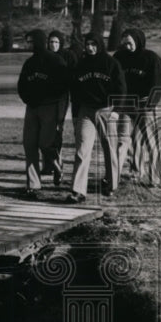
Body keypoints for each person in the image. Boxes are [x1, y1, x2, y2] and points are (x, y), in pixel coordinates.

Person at [66, 31, 125, 203]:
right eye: (88, 44)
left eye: (94, 44)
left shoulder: (111, 63)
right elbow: (75, 92)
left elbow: (121, 89)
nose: (90, 48)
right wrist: (76, 114)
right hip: (86, 111)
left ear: (100, 45)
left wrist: (117, 110)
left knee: (109, 148)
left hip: (106, 109)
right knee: (82, 150)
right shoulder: (81, 64)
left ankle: (111, 185)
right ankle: (78, 190)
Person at [17, 29, 68, 199]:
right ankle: (33, 185)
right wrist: (28, 99)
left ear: (39, 41)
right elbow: (22, 85)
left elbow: (63, 85)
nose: (29, 45)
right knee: (29, 144)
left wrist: (50, 100)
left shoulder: (56, 60)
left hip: (50, 107)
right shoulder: (29, 63)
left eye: (31, 41)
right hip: (32, 108)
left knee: (45, 144)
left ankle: (56, 164)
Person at [113, 28, 161, 187]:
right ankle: (135, 172)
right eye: (124, 44)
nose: (127, 47)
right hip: (126, 105)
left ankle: (155, 177)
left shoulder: (150, 58)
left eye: (130, 43)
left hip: (145, 107)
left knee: (151, 142)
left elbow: (158, 83)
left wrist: (150, 102)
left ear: (138, 41)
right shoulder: (119, 57)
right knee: (124, 141)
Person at [48, 30, 77, 185]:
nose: (53, 45)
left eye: (56, 42)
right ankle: (49, 164)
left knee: (57, 129)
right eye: (51, 42)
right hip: (45, 99)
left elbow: (74, 77)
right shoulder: (45, 56)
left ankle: (57, 164)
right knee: (45, 132)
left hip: (61, 98)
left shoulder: (68, 56)